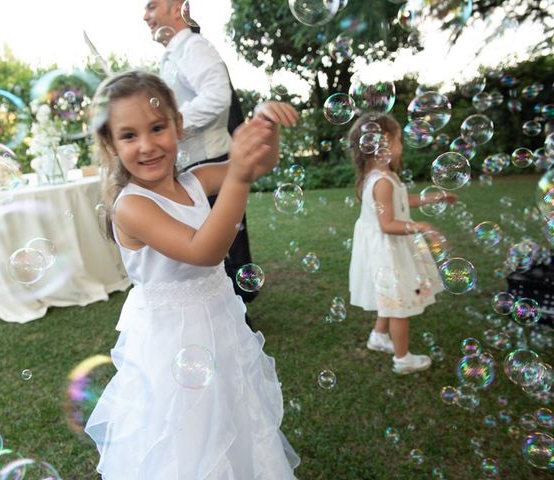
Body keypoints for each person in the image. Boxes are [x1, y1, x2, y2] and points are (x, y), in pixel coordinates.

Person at [84, 70, 300, 479]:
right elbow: (204, 250)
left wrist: (264, 126)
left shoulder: (195, 180)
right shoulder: (130, 206)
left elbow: (259, 164)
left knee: (232, 416)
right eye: (129, 136)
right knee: (188, 432)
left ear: (178, 125)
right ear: (110, 144)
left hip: (220, 322)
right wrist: (236, 175)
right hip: (173, 342)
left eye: (157, 127)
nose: (147, 145)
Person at [142, 0, 259, 307]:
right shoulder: (172, 56)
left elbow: (218, 97)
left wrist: (170, 125)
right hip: (191, 165)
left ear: (177, 6)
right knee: (213, 246)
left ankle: (236, 314)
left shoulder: (194, 48)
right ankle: (228, 307)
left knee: (223, 247)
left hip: (210, 162)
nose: (145, 16)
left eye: (151, 6)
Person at [348, 113, 457, 375]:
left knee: (391, 296)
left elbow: (402, 200)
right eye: (399, 140)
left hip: (388, 248)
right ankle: (403, 358)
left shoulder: (383, 176)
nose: (402, 145)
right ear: (384, 142)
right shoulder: (382, 181)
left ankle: (378, 336)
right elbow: (387, 224)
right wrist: (421, 226)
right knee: (399, 306)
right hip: (388, 249)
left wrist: (434, 198)